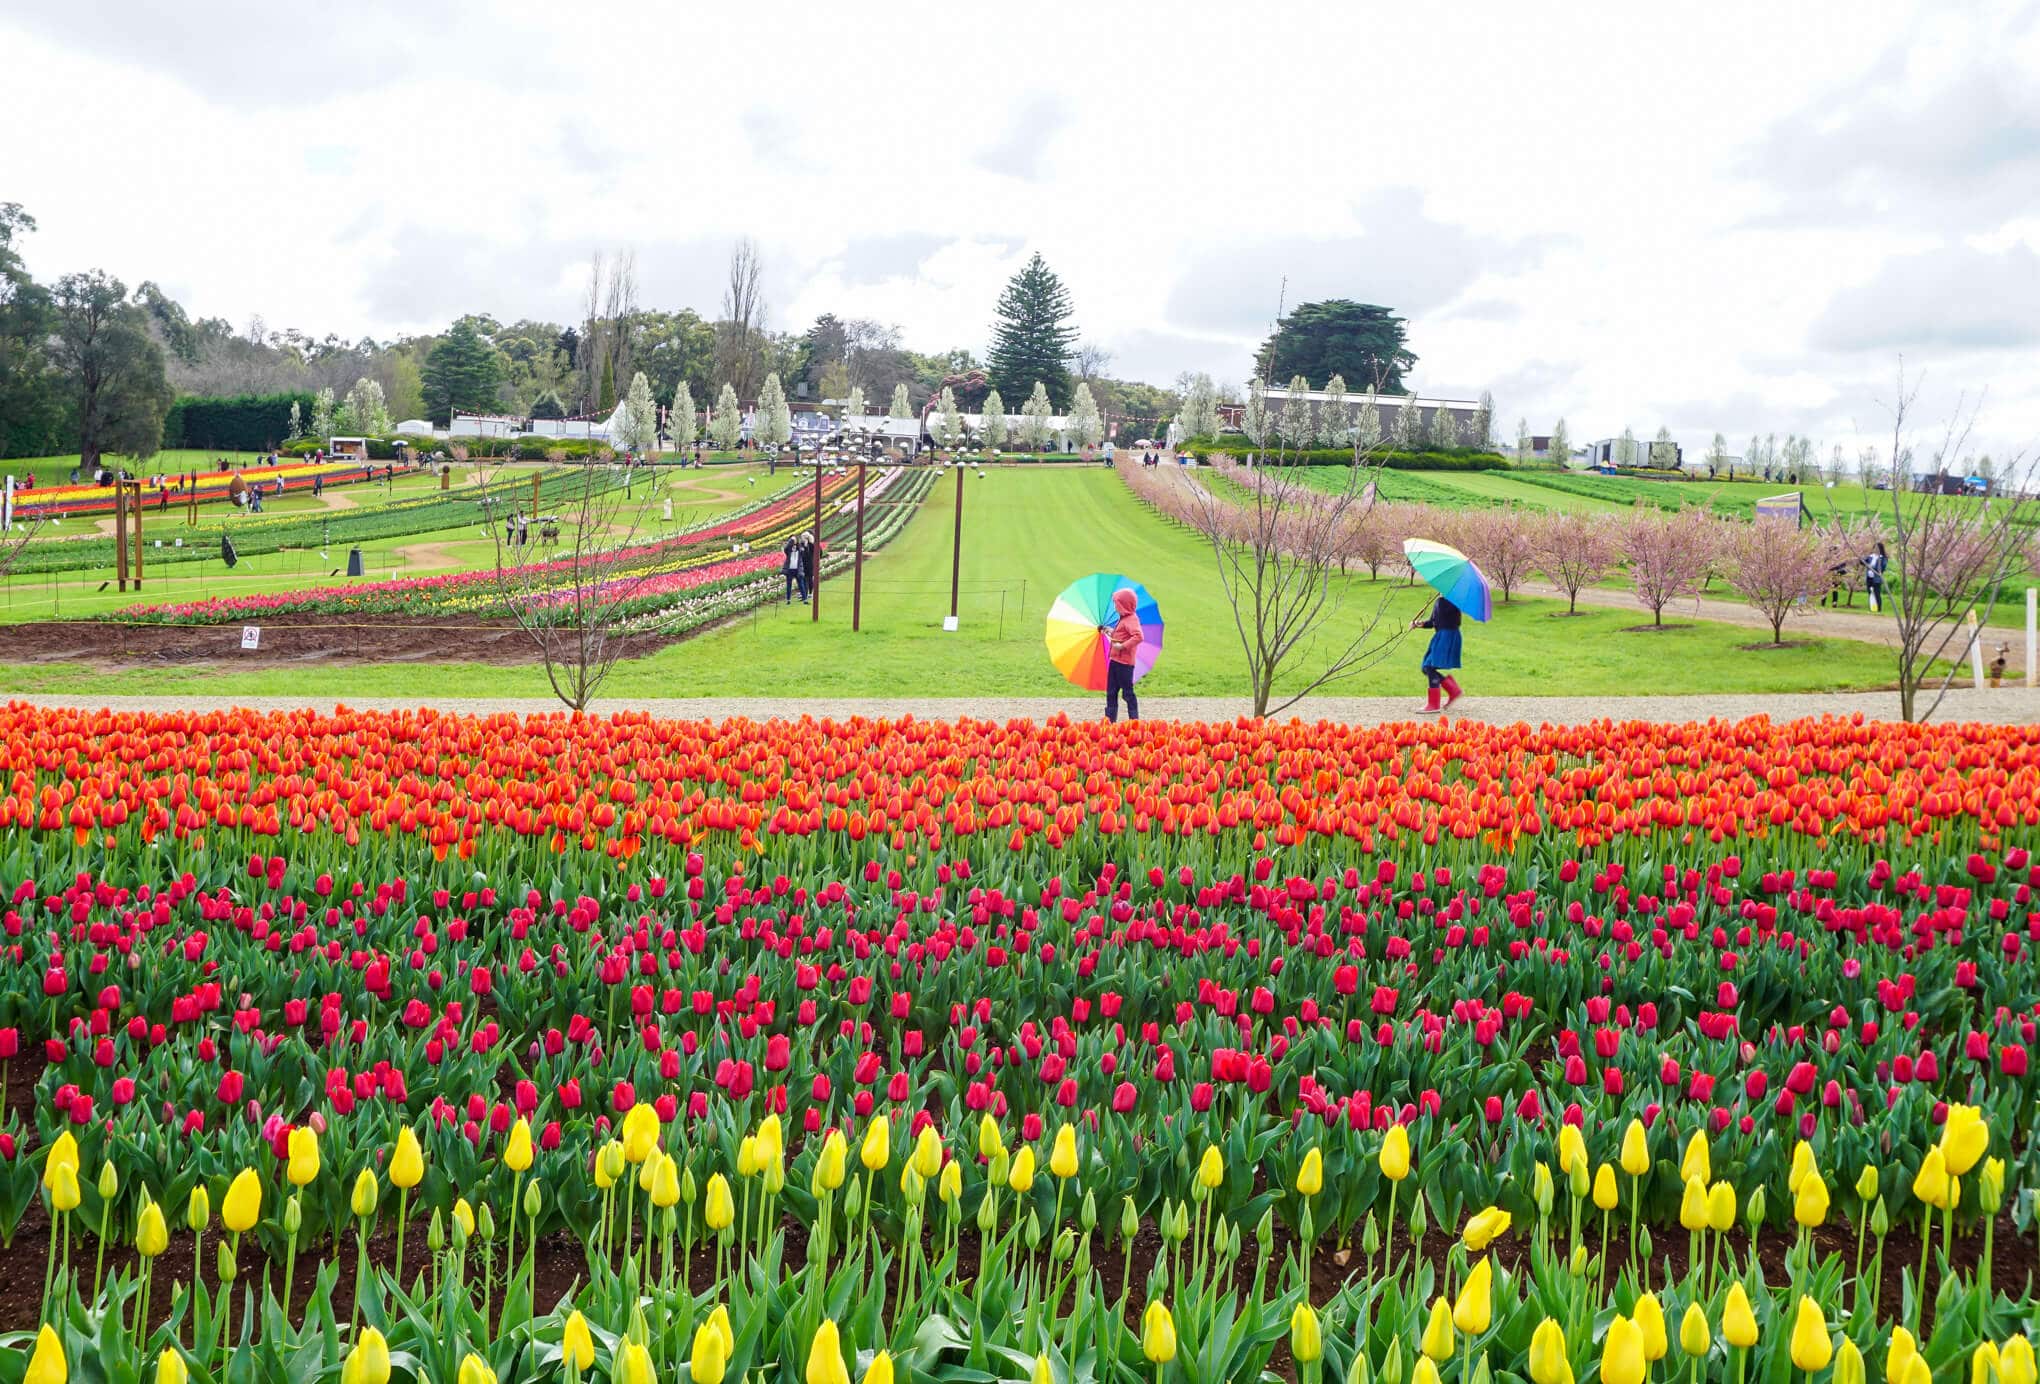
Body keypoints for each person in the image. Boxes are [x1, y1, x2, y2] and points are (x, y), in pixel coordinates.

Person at [1411, 595, 1464, 713]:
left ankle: (1434, 704)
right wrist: (1420, 624)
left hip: (1447, 636)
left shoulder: (1452, 601)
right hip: (1441, 636)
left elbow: (1451, 621)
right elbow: (1433, 622)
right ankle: (1453, 690)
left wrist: (1441, 601)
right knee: (1426, 667)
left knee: (1429, 667)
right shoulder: (1441, 601)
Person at [1104, 587, 1142, 723]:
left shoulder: (1131, 619)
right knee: (1111, 692)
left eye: (1117, 604)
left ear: (1124, 605)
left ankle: (1134, 721)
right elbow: (1122, 634)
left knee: (1127, 693)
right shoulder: (1124, 618)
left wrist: (1122, 646)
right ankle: (1109, 721)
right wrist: (1111, 632)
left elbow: (1138, 636)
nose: (1115, 607)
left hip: (1124, 665)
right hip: (1115, 661)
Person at [1863, 542, 1888, 612]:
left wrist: (1872, 568)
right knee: (1870, 593)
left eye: (1877, 548)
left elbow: (1882, 568)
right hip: (1869, 578)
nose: (1875, 549)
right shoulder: (1870, 556)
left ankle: (1879, 609)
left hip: (1876, 579)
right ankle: (1872, 608)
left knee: (1877, 593)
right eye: (1874, 548)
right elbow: (1863, 562)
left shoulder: (1882, 558)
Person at [781, 534, 803, 604]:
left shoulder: (799, 548)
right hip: (789, 569)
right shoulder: (788, 550)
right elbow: (786, 548)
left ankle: (804, 597)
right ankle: (788, 599)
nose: (793, 541)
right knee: (789, 585)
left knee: (800, 583)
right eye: (791, 540)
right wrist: (791, 541)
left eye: (794, 539)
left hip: (797, 569)